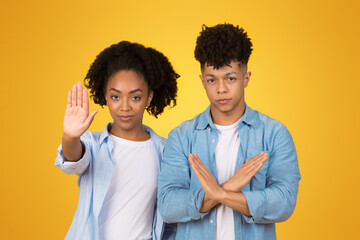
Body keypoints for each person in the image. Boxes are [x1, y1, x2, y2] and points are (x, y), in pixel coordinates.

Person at [158, 23, 301, 240]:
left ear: (246, 78)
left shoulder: (274, 134)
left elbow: (284, 202)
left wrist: (219, 193)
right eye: (211, 79)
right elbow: (168, 206)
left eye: (230, 78)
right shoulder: (181, 136)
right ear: (202, 81)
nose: (221, 89)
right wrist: (230, 187)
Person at [55, 41, 179, 240]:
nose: (124, 107)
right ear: (105, 96)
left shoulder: (166, 152)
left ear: (149, 98)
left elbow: (171, 218)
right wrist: (70, 136)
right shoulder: (92, 144)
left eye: (135, 97)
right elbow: (73, 159)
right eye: (115, 97)